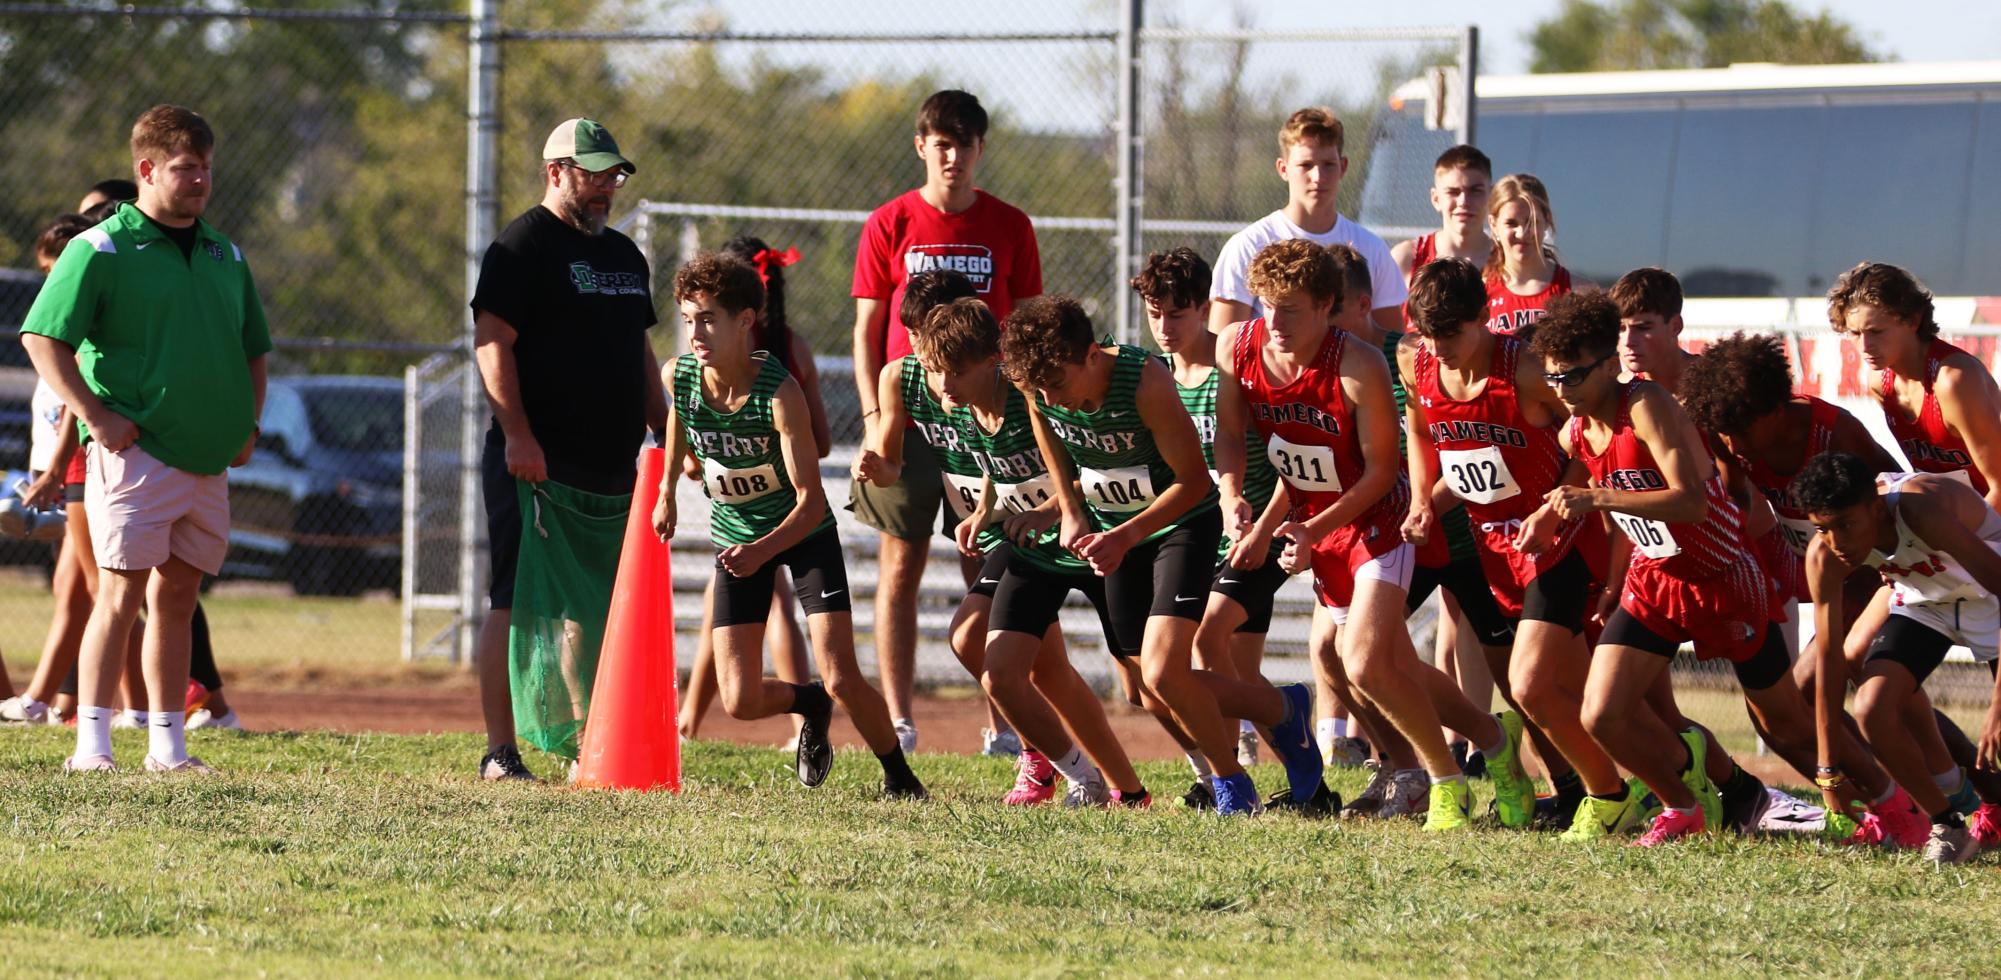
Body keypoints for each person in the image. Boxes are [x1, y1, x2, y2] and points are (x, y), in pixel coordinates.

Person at [1215, 239, 1532, 830]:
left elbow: (1382, 471)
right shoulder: (1238, 347)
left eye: (1291, 309)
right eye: (1266, 306)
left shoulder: (1358, 363)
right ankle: (1491, 742)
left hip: (1376, 522)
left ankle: (1444, 782)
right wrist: (1238, 499)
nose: (1275, 322)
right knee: (1387, 666)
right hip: (1320, 530)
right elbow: (1237, 441)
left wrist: (1308, 527)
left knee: (1359, 660)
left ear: (1326, 306)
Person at [1002, 295, 1326, 815]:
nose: (1052, 400)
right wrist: (1067, 509)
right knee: (1147, 692)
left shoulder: (1143, 379)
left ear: (1090, 355)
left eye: (1058, 386)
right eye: (1039, 391)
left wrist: (1125, 536)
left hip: (1178, 526)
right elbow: (1048, 437)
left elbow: (1195, 483)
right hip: (1116, 531)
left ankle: (1232, 784)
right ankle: (1283, 706)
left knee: (1164, 671)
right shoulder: (1041, 383)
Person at [20, 104, 268, 773]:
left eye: (207, 168)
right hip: (136, 455)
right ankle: (91, 745)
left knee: (178, 601)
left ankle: (168, 747)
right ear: (147, 170)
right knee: (120, 595)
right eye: (186, 168)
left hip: (206, 459)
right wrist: (96, 418)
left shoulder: (225, 252)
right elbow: (43, 339)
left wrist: (248, 422)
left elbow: (254, 351)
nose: (200, 181)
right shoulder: (99, 247)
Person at [656, 253, 925, 799]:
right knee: (740, 701)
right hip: (739, 542)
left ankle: (900, 777)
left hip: (802, 537)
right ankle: (809, 703)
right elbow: (677, 422)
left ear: (745, 321)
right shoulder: (679, 375)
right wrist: (667, 491)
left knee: (844, 675)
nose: (695, 332)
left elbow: (809, 502)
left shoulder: (780, 393)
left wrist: (761, 549)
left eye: (708, 318)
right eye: (687, 319)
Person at [1518, 292, 1775, 845]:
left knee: (1790, 728)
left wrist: (1601, 500)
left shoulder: (1647, 405)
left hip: (1722, 574)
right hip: (1655, 580)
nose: (1561, 391)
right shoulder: (1577, 426)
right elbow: (1583, 476)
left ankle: (1895, 809)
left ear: (1610, 364)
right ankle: (1682, 807)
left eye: (1573, 377)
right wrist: (1546, 514)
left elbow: (1691, 504)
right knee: (1603, 715)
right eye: (1553, 378)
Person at [883, 297, 1149, 806]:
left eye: (955, 372)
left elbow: (1081, 465)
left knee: (1145, 685)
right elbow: (991, 460)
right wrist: (984, 511)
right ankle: (1082, 777)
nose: (943, 386)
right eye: (936, 372)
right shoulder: (957, 402)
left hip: (1088, 535)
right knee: (986, 655)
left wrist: (1052, 509)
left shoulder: (1030, 397)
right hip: (1029, 545)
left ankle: (1210, 771)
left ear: (993, 361)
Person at [1400, 258, 1631, 838]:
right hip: (1497, 548)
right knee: (1567, 694)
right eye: (1430, 333)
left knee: (1529, 684)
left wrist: (1555, 508)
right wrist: (1424, 500)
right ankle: (1628, 784)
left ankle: (1613, 796)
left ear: (1483, 316)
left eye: (1452, 332)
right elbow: (1425, 431)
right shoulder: (1417, 364)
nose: (1440, 347)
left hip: (1560, 543)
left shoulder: (1525, 370)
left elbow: (1592, 434)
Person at [470, 118, 665, 781]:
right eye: (592, 173)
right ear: (556, 171)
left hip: (610, 467)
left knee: (598, 607)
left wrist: (665, 426)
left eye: (612, 174)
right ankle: (501, 750)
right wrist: (518, 433)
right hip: (536, 464)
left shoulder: (624, 256)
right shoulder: (520, 247)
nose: (605, 186)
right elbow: (491, 341)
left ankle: (593, 742)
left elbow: (640, 352)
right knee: (513, 600)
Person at [850, 90, 1042, 752]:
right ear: (921, 146)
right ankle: (900, 718)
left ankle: (1003, 723)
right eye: (940, 143)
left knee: (982, 557)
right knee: (898, 567)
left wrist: (1016, 408)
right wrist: (878, 418)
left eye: (963, 143)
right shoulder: (890, 222)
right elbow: (867, 328)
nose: (951, 156)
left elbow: (1026, 325)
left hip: (980, 415)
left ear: (980, 149)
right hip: (908, 412)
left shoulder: (1009, 225)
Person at [1135, 247, 1325, 807]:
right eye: (1154, 313)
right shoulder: (1158, 376)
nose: (1165, 327)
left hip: (1263, 529)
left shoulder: (1234, 365)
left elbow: (1290, 454)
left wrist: (1263, 524)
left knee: (1204, 643)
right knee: (1232, 672)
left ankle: (1255, 757)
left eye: (1178, 313)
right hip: (1202, 537)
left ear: (1204, 310)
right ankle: (1305, 779)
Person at [1826, 262, 2001, 841]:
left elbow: (1997, 485)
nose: (1864, 346)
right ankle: (1958, 795)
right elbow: (1920, 478)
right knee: (1854, 657)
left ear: (1913, 320)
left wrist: (1956, 552)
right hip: (1938, 544)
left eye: (1876, 331)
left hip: (1984, 544)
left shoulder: (1953, 379)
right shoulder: (1882, 384)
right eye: (1854, 333)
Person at [1791, 453, 2001, 864]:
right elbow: (1830, 661)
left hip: (1990, 594)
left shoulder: (1921, 510)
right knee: (1871, 707)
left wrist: (1997, 704)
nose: (1837, 541)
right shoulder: (1825, 554)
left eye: (1845, 525)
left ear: (1874, 508)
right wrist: (1828, 766)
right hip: (1926, 598)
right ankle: (1947, 824)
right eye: (1822, 528)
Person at [677, 236, 825, 750]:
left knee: (770, 609)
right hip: (736, 519)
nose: (700, 326)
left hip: (781, 515)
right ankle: (688, 723)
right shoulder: (702, 366)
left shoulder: (776, 362)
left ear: (743, 309)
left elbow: (817, 441)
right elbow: (685, 427)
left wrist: (760, 455)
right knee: (723, 619)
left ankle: (795, 720)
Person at [1208, 107, 1407, 340]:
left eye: (1328, 165)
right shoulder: (1249, 244)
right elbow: (1222, 347)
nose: (1318, 177)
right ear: (1283, 169)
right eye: (1306, 165)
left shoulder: (1371, 247)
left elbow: (1392, 346)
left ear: (1343, 167)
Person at [1390, 144, 1494, 279]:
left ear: (1492, 196)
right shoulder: (1407, 259)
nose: (1464, 201)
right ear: (1436, 199)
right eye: (1453, 192)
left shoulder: (1509, 261)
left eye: (1475, 191)